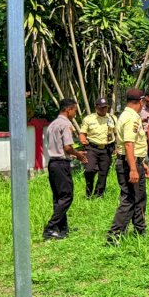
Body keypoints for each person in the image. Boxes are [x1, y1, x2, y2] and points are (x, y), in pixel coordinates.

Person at [107, 88, 149, 243]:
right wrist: (133, 168)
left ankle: (140, 229)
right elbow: (129, 144)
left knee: (139, 198)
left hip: (133, 161)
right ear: (140, 101)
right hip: (128, 163)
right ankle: (114, 236)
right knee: (129, 199)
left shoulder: (127, 115)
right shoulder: (131, 118)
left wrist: (141, 163)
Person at [43, 99, 88, 240]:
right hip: (62, 163)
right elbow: (67, 147)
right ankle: (50, 227)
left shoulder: (52, 125)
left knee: (58, 197)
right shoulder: (65, 124)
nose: (75, 113)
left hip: (52, 164)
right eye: (75, 110)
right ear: (68, 109)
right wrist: (79, 155)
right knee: (67, 196)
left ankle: (62, 229)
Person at [78, 97, 117, 198]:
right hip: (92, 148)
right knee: (89, 170)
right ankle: (89, 190)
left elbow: (116, 134)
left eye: (105, 107)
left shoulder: (112, 118)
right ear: (96, 107)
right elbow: (82, 133)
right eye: (101, 108)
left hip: (107, 148)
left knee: (103, 172)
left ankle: (98, 195)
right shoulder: (89, 119)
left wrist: (117, 147)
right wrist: (82, 139)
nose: (104, 109)